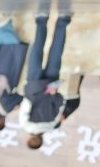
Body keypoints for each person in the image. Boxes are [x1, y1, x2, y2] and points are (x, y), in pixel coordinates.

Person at [19, 13, 80, 149]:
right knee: (36, 52)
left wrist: (52, 94)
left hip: (51, 85)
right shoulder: (26, 125)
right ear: (29, 139)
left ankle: (63, 19)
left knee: (56, 52)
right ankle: (42, 19)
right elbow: (27, 103)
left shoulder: (52, 124)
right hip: (34, 85)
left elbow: (61, 103)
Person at [0, 18, 28, 131]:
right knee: (0, 50)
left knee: (12, 49)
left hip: (8, 76)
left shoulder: (5, 109)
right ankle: (5, 25)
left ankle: (2, 28)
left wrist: (16, 106)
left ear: (1, 122)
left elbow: (19, 98)